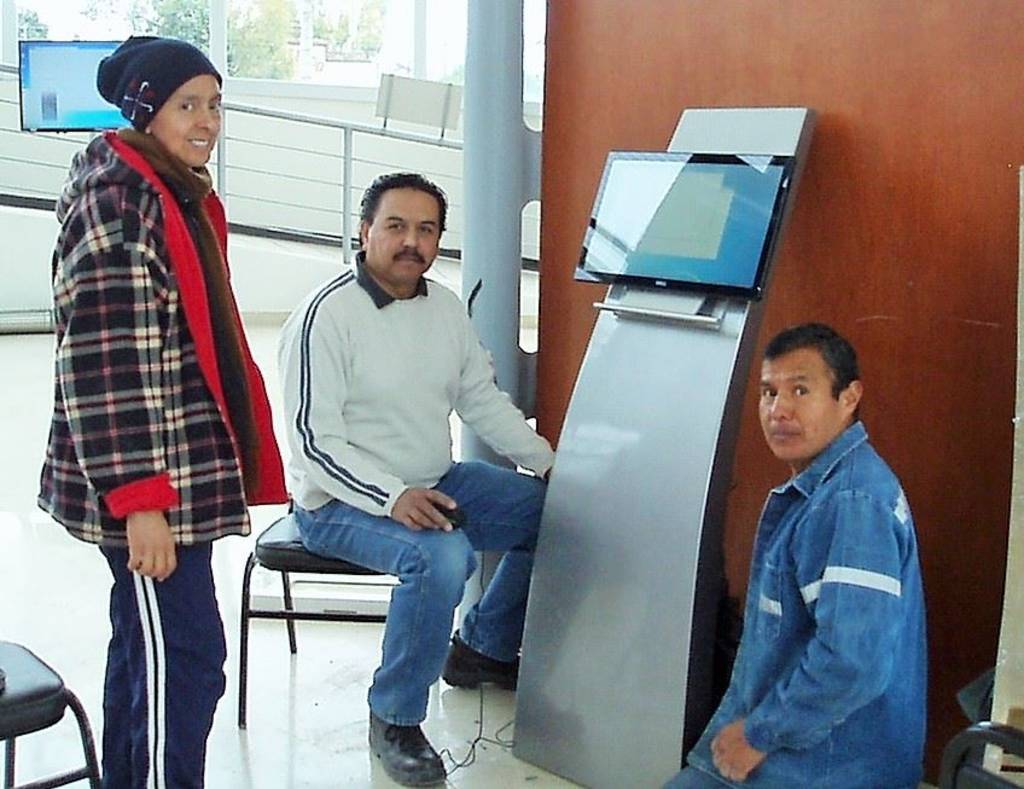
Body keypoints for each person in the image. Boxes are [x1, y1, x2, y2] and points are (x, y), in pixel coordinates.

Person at [38, 36, 287, 788]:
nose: (207, 121)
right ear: (145, 111)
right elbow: (104, 365)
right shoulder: (121, 202)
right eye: (187, 105)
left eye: (215, 104)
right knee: (185, 660)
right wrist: (140, 501)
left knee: (145, 647)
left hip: (177, 472)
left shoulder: (169, 190)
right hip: (150, 487)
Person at [278, 172, 554, 786]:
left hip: (434, 478)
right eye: (396, 226)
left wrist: (549, 464)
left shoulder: (444, 308)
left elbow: (480, 401)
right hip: (337, 503)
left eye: (426, 230)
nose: (412, 242)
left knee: (555, 513)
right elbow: (313, 443)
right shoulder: (325, 316)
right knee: (439, 558)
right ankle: (395, 718)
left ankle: (482, 648)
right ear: (364, 231)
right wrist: (392, 496)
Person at [665, 323, 927, 788]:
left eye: (800, 390)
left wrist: (759, 734)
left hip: (826, 766)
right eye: (769, 392)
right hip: (804, 751)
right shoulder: (828, 487)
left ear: (849, 397)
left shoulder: (852, 503)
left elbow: (852, 662)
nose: (778, 410)